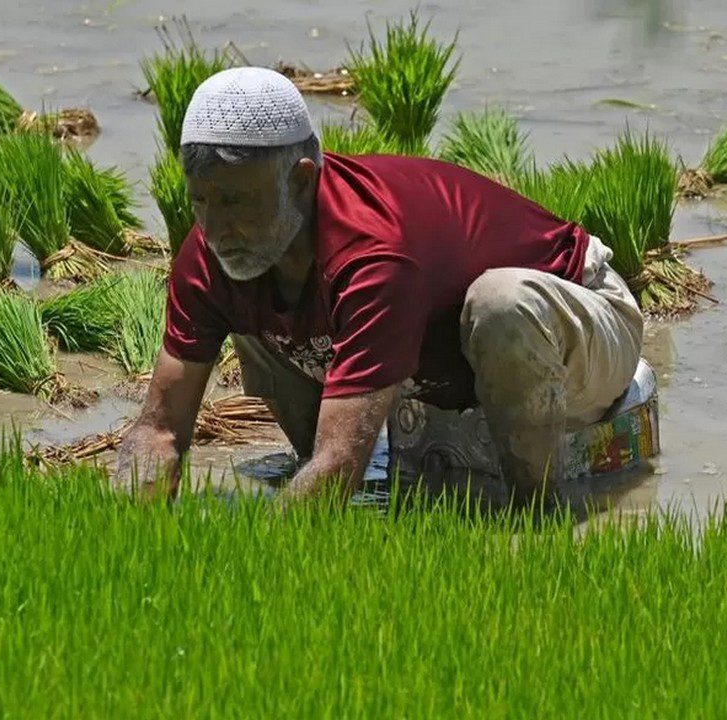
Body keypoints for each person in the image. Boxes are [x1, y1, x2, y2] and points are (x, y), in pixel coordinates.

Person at [115, 67, 643, 506]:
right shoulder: (211, 252)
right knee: (248, 287)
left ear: (302, 180)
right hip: (440, 359)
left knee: (500, 304)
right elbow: (159, 430)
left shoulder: (373, 253)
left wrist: (257, 562)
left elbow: (339, 462)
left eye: (234, 202)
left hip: (583, 318)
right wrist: (134, 538)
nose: (214, 227)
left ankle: (535, 516)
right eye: (200, 201)